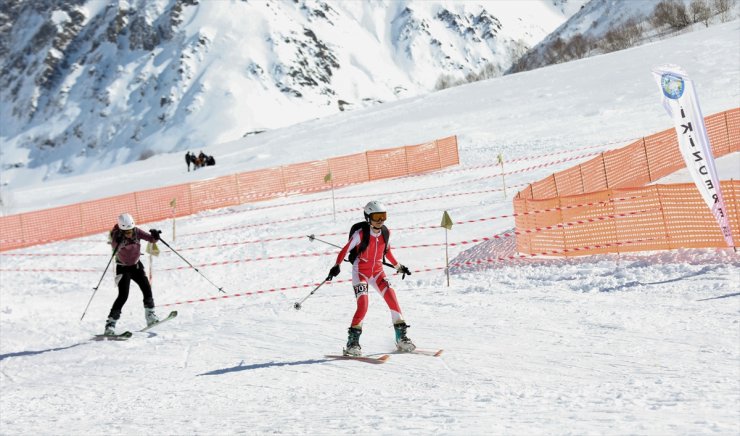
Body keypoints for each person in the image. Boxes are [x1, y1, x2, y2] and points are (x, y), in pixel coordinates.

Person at [327, 200, 415, 356]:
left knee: (392, 298)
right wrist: (337, 265)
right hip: (360, 272)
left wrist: (399, 266)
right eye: (376, 217)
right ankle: (352, 343)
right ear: (368, 217)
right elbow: (345, 249)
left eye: (383, 217)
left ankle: (401, 338)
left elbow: (386, 252)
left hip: (378, 272)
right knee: (363, 305)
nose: (380, 221)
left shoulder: (386, 233)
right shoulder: (360, 234)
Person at [104, 213, 162, 335]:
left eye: (130, 230)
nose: (129, 233)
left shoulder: (136, 231)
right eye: (126, 231)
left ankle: (150, 316)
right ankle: (110, 324)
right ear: (121, 229)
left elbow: (151, 239)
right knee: (123, 295)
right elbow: (114, 246)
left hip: (136, 266)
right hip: (123, 268)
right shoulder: (116, 235)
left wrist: (155, 236)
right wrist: (119, 242)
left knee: (146, 288)